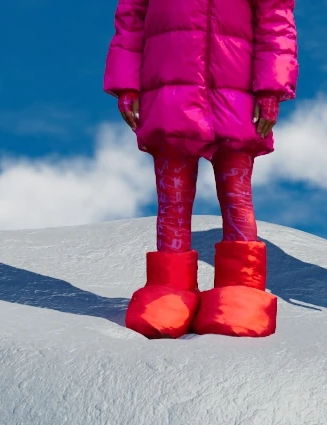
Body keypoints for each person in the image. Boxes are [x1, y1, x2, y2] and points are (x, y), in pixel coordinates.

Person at [104, 0, 298, 339]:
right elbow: (131, 19)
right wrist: (127, 84)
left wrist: (270, 88)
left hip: (236, 98)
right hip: (170, 96)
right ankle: (168, 290)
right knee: (172, 201)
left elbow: (275, 20)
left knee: (236, 198)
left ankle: (240, 290)